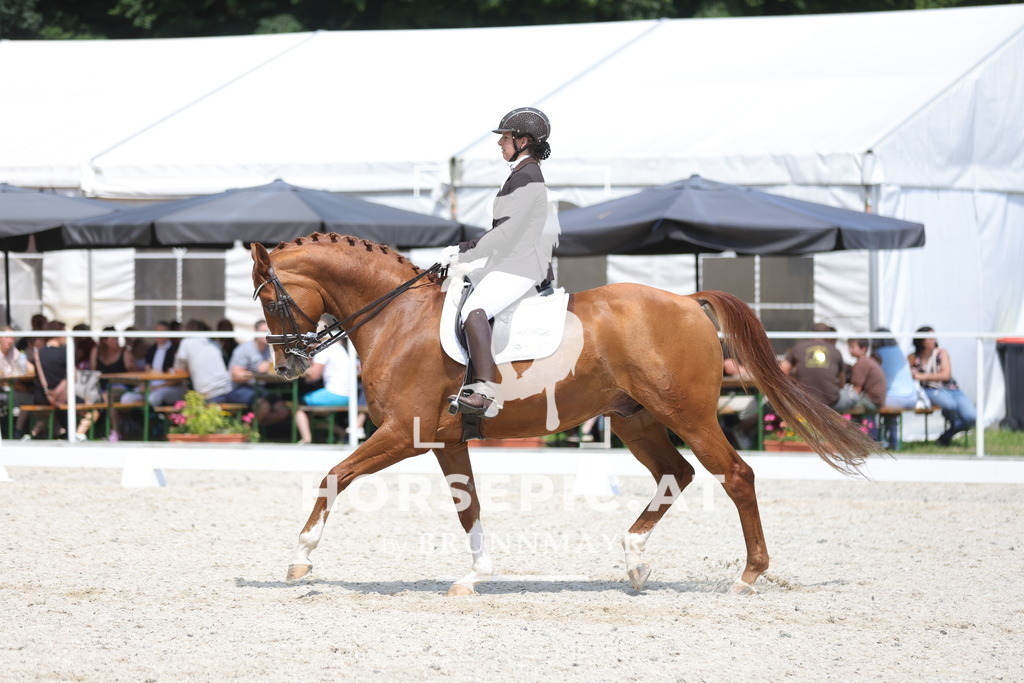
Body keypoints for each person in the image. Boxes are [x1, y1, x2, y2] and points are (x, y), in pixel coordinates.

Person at [438, 107, 559, 417]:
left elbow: (505, 233)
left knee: (473, 310)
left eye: (505, 137)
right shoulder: (521, 174)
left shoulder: (528, 176)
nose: (500, 143)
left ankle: (486, 392)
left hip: (521, 265)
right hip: (510, 260)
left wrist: (461, 250)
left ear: (524, 140)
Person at [909, 326, 977, 446]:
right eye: (928, 338)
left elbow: (946, 375)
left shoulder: (941, 353)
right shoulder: (913, 358)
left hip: (952, 389)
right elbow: (909, 375)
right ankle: (951, 425)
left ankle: (947, 434)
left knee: (972, 417)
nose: (932, 341)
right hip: (930, 390)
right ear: (921, 340)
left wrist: (923, 376)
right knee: (949, 404)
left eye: (933, 337)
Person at [27, 320, 93, 441]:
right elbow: (73, 376)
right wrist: (59, 390)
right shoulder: (64, 352)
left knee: (53, 414)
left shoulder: (38, 353)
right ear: (59, 334)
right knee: (93, 408)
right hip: (62, 398)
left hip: (41, 397)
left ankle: (32, 434)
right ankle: (78, 434)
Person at [294, 336, 365, 444]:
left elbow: (314, 376)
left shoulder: (323, 350)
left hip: (336, 394)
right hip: (351, 396)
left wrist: (297, 370)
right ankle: (341, 433)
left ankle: (306, 439)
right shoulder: (339, 347)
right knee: (315, 411)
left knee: (298, 404)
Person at [228, 320, 291, 428]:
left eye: (268, 331)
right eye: (262, 331)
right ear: (255, 332)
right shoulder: (244, 350)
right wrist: (256, 373)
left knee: (283, 410)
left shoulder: (270, 350)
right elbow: (235, 376)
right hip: (239, 389)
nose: (266, 334)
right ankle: (247, 430)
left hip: (260, 389)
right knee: (263, 405)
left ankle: (249, 427)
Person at [173, 319, 251, 404]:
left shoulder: (186, 342)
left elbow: (179, 370)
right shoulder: (214, 344)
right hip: (228, 389)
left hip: (209, 393)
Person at [780, 322, 851, 411]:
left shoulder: (798, 348)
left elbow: (782, 371)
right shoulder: (836, 351)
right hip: (830, 401)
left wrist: (793, 381)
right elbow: (842, 382)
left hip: (804, 399)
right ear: (828, 337)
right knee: (853, 395)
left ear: (811, 334)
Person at [872, 328, 918, 450]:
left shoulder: (877, 354)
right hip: (912, 397)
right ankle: (894, 441)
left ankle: (879, 439)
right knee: (890, 414)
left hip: (894, 398)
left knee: (872, 405)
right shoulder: (899, 351)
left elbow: (873, 377)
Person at [121, 320, 184, 407]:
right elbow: (147, 371)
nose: (159, 335)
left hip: (168, 386)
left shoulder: (175, 351)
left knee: (153, 398)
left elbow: (177, 379)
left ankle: (156, 419)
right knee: (127, 399)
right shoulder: (151, 350)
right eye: (157, 332)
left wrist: (159, 387)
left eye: (163, 332)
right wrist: (144, 385)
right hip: (151, 385)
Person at [90, 327, 135, 441]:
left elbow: (133, 376)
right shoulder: (96, 352)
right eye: (113, 338)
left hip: (121, 386)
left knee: (108, 396)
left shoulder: (124, 352)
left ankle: (115, 431)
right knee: (97, 397)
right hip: (101, 387)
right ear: (105, 340)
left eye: (117, 338)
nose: (116, 341)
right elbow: (93, 372)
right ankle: (85, 431)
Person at [846, 338, 887, 437]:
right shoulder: (868, 361)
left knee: (845, 406)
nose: (850, 350)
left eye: (853, 347)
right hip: (877, 400)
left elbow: (857, 390)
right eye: (849, 347)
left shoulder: (861, 363)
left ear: (863, 348)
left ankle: (853, 437)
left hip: (872, 401)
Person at [1, 326, 33, 438]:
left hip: (10, 391)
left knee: (30, 398)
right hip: (4, 392)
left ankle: (17, 432)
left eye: (12, 338)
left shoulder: (13, 351)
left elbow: (31, 369)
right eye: (7, 337)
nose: (10, 340)